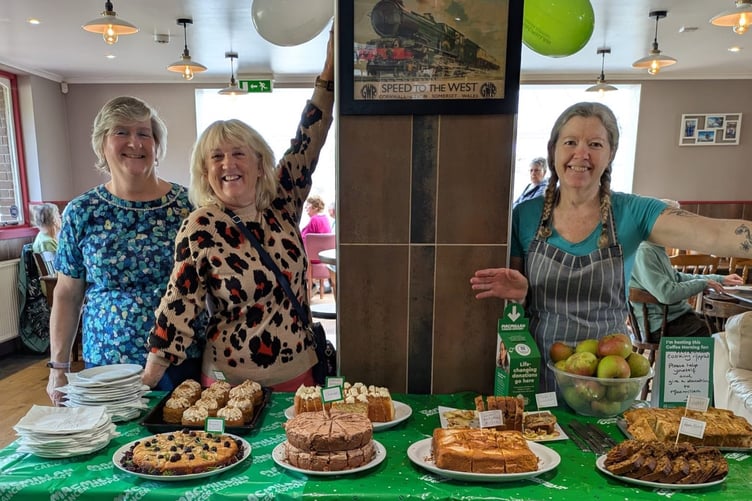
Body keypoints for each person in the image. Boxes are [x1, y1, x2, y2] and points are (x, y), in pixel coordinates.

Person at [470, 101, 752, 392]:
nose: (581, 154)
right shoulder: (525, 214)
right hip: (538, 371)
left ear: (611, 153)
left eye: (594, 144)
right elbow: (515, 307)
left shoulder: (633, 212)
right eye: (570, 142)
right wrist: (521, 294)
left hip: (610, 382)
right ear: (553, 148)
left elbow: (714, 233)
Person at [141, 31, 335, 391]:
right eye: (216, 157)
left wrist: (329, 74)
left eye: (238, 153)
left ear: (260, 164)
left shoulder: (282, 203)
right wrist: (146, 383)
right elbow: (178, 304)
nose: (227, 164)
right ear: (205, 172)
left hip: (300, 375)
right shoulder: (201, 226)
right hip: (227, 386)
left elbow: (309, 140)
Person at [46, 95, 203, 405]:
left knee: (184, 447)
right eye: (121, 132)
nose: (135, 142)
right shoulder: (82, 211)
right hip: (107, 364)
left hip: (181, 355)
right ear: (102, 145)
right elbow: (67, 294)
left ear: (157, 146)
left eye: (144, 133)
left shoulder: (190, 206)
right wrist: (58, 368)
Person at [629, 200, 743, 342]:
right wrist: (703, 283)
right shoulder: (645, 252)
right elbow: (667, 294)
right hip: (660, 326)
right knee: (716, 335)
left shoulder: (655, 247)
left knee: (718, 325)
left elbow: (676, 277)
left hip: (672, 319)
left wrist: (719, 279)